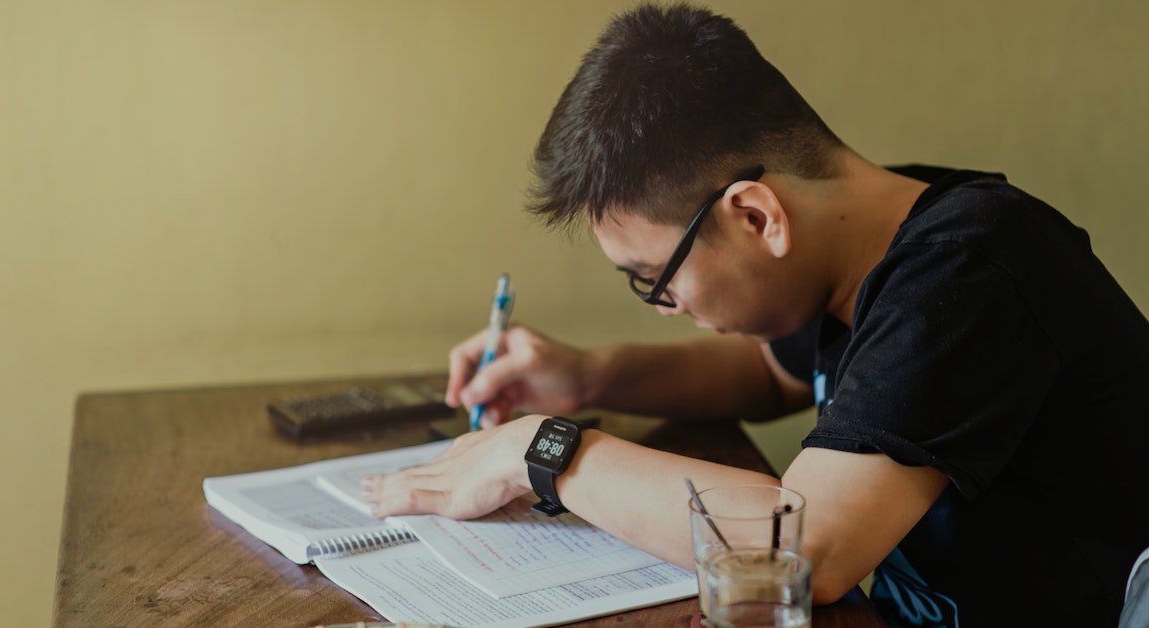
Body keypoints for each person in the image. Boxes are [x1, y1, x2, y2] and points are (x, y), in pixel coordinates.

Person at [360, 4, 1149, 625]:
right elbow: (773, 374)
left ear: (758, 216)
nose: (667, 310)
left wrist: (539, 451)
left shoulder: (970, 270)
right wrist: (589, 375)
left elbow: (805, 545)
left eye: (656, 280)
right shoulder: (868, 235)